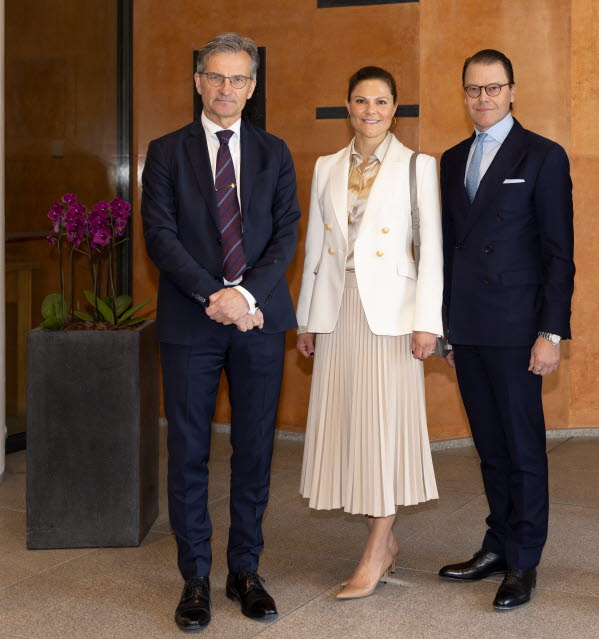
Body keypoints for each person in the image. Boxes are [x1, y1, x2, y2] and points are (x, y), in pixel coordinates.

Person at [141, 33, 300, 630]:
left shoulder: (274, 151)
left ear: (252, 87)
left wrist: (247, 296)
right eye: (216, 77)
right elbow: (159, 235)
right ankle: (195, 579)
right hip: (190, 322)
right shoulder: (165, 152)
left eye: (238, 79)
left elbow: (286, 231)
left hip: (260, 323)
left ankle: (245, 571)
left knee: (255, 450)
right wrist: (216, 296)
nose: (226, 88)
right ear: (198, 82)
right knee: (188, 452)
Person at [295, 66, 442, 600]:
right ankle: (386, 538)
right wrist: (308, 318)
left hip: (392, 316)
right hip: (337, 311)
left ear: (395, 108)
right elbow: (315, 248)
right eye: (361, 101)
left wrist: (427, 322)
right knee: (351, 428)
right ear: (348, 107)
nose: (371, 111)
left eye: (381, 102)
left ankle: (376, 550)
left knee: (383, 430)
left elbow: (431, 252)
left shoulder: (416, 167)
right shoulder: (325, 167)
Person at [437, 49, 574, 611]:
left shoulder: (542, 155)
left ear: (512, 91)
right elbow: (445, 251)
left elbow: (558, 254)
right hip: (467, 325)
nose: (483, 99)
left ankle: (524, 559)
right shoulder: (449, 160)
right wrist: (442, 326)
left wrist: (552, 331)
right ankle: (497, 541)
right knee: (489, 447)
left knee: (522, 449)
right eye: (473, 89)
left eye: (493, 88)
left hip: (520, 328)